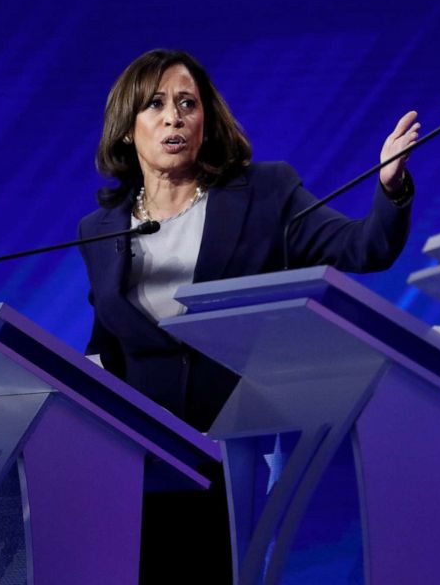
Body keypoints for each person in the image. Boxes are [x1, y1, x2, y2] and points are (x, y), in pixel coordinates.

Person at [78, 48, 417, 582]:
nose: (174, 117)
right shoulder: (102, 229)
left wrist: (390, 189)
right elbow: (106, 344)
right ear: (126, 127)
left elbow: (363, 249)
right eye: (156, 105)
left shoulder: (264, 194)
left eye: (188, 103)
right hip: (142, 473)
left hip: (242, 462)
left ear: (206, 120)